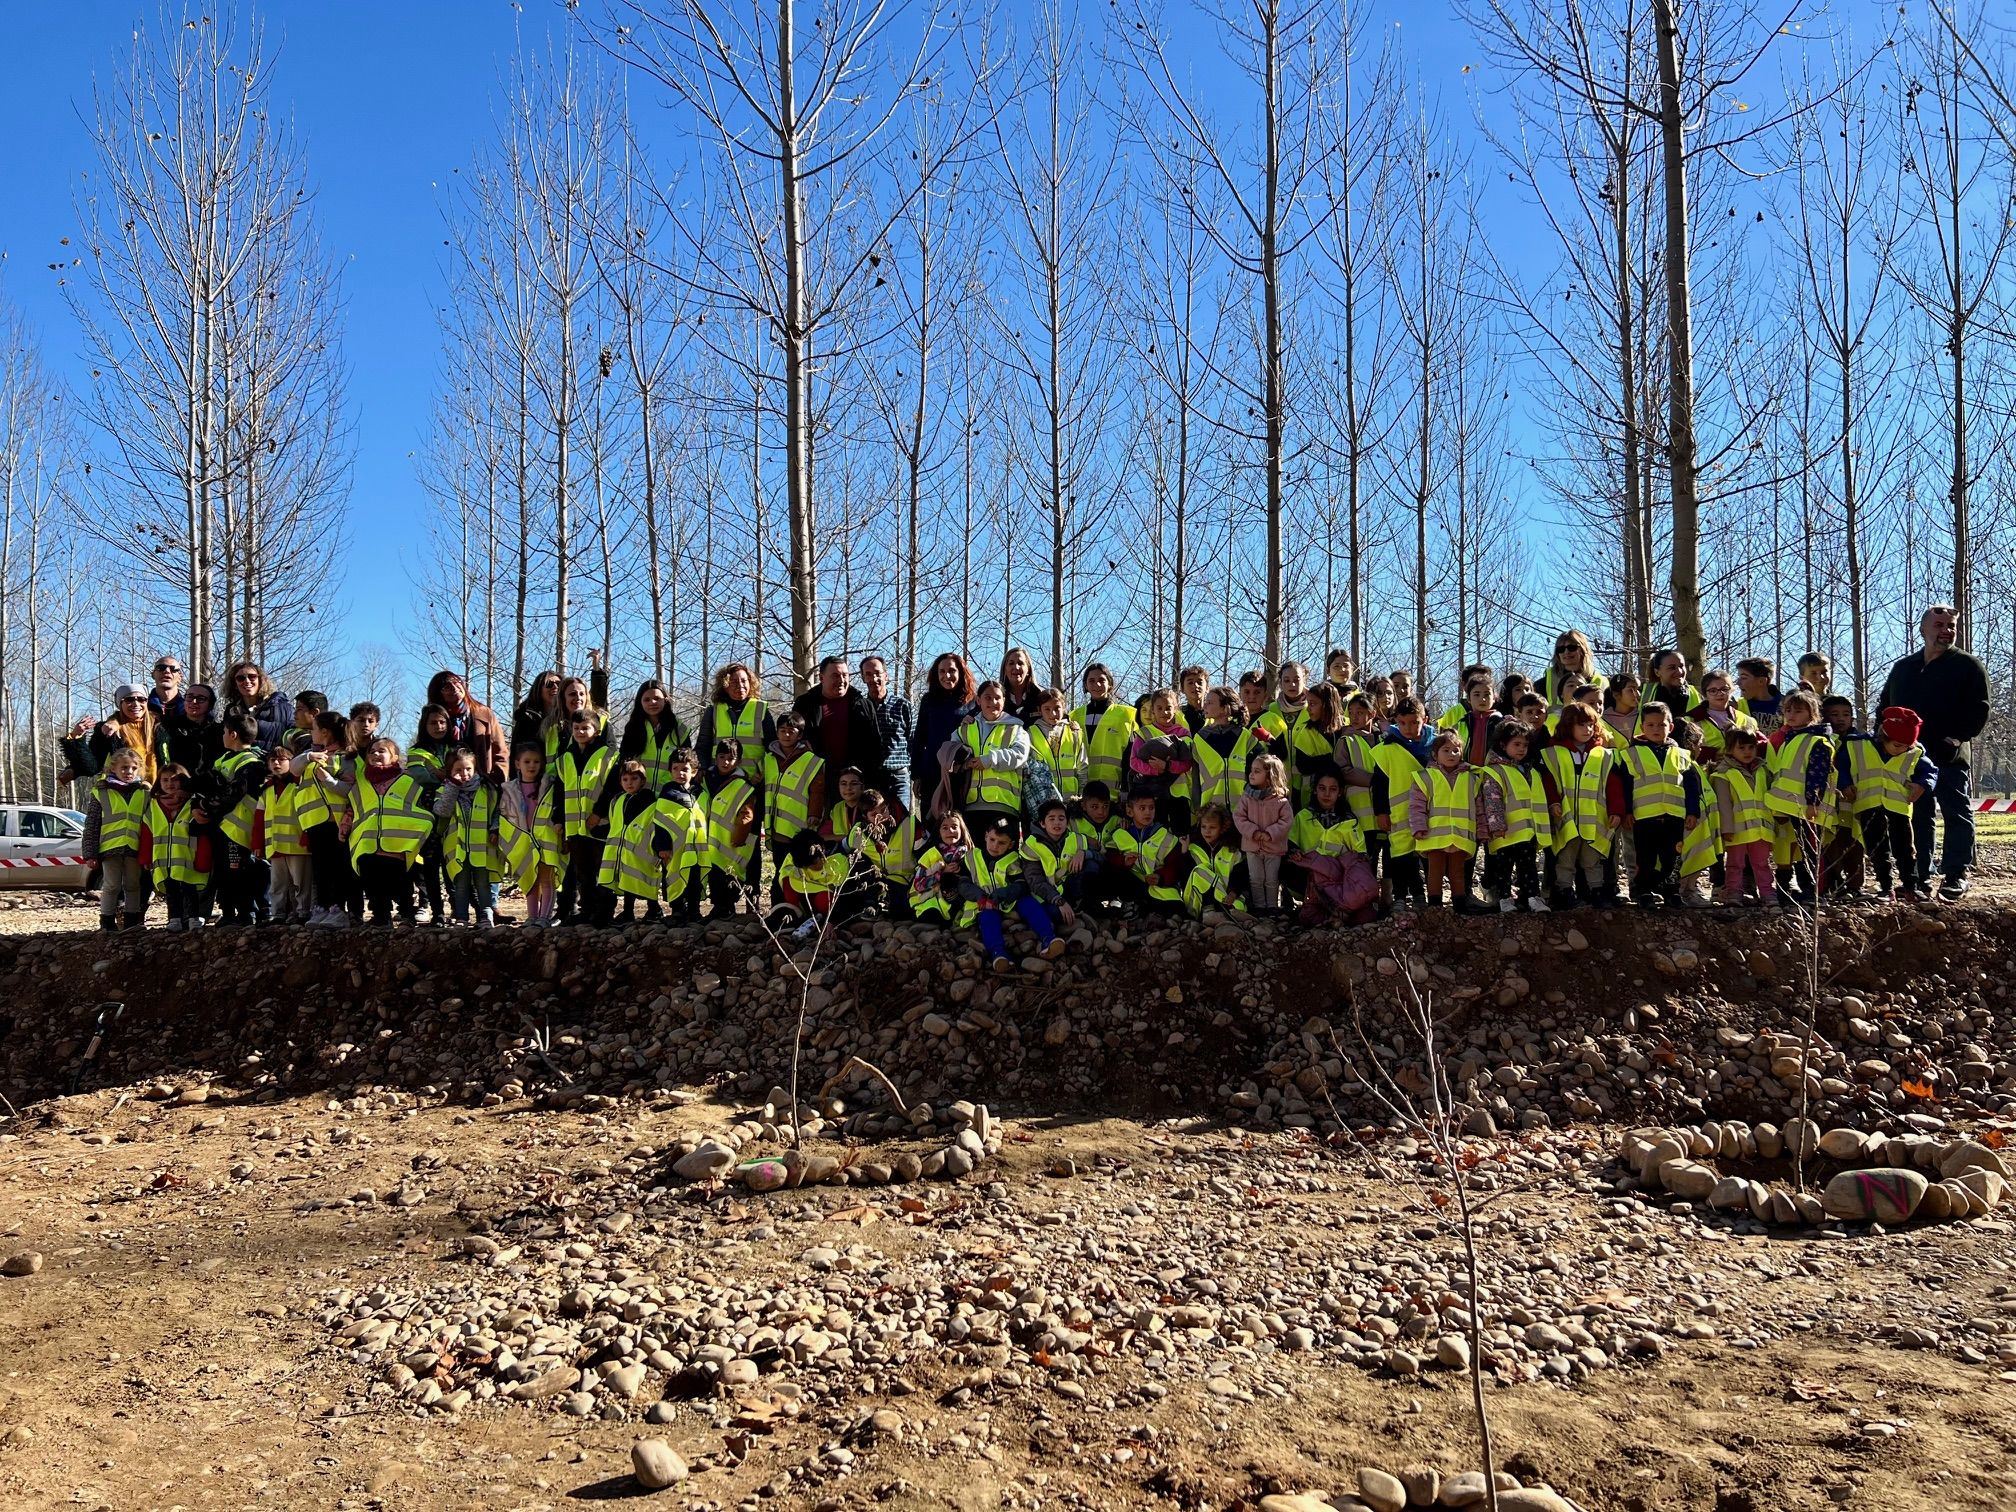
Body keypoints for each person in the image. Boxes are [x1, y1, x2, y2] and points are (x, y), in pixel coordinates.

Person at [1879, 603, 1990, 900]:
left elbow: (1979, 710)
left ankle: (1956, 874)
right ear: (1923, 629)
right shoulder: (1904, 668)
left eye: (1951, 626)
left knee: (1957, 813)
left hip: (1949, 758)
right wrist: (1885, 744)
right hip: (1908, 759)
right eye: (1940, 625)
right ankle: (1921, 877)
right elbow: (1884, 708)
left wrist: (1954, 739)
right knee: (1918, 817)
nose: (1947, 631)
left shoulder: (1967, 666)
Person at [330, 737, 433, 927]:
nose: (376, 754)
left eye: (382, 751)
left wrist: (421, 832)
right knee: (373, 884)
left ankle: (407, 916)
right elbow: (353, 807)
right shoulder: (361, 782)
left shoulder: (408, 780)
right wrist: (345, 824)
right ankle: (381, 918)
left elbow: (421, 809)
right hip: (368, 844)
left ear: (394, 757)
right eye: (372, 751)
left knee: (400, 884)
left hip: (397, 845)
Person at [1612, 701, 1702, 907]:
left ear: (1670, 727)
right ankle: (1644, 891)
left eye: (1661, 725)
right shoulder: (1631, 754)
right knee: (1645, 858)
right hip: (1644, 817)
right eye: (1650, 725)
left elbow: (1691, 786)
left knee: (1672, 856)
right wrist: (1626, 812)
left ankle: (1671, 891)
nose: (1656, 729)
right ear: (1642, 727)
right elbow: (1626, 786)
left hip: (1674, 816)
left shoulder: (1682, 755)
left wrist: (1693, 811)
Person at [1851, 708, 1938, 901]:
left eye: (1907, 746)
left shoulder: (1914, 752)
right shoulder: (1858, 746)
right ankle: (1885, 888)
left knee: (1905, 849)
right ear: (1884, 736)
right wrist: (1845, 785)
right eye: (1898, 745)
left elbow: (1930, 771)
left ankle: (1910, 886)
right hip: (1868, 806)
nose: (1903, 750)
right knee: (1878, 849)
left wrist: (1923, 785)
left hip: (1899, 807)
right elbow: (1842, 766)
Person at [959, 813, 1065, 971]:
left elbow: (1021, 884)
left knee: (1028, 902)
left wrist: (1003, 894)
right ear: (986, 835)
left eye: (1002, 843)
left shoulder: (1013, 858)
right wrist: (980, 897)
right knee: (988, 918)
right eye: (992, 840)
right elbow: (963, 883)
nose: (995, 846)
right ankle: (999, 954)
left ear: (1011, 844)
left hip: (1008, 901)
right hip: (983, 903)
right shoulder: (970, 857)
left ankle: (1048, 939)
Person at [1765, 690, 1835, 904]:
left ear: (1812, 713)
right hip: (1789, 807)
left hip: (1808, 808)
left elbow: (1817, 776)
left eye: (1798, 711)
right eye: (1787, 710)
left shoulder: (1818, 742)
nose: (1791, 715)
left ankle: (1814, 891)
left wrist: (1813, 803)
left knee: (1811, 850)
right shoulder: (1790, 738)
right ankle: (1791, 890)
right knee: (1794, 850)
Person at [1408, 732, 1485, 912]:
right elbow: (1416, 806)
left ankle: (1459, 904)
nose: (1452, 754)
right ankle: (1434, 905)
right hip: (1433, 836)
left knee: (1458, 872)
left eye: (1456, 750)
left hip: (1461, 836)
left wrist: (1482, 831)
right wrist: (1418, 826)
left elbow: (1479, 808)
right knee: (1434, 872)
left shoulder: (1472, 778)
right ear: (1435, 754)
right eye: (1446, 750)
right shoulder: (1425, 777)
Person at [1477, 721, 1549, 913]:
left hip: (1527, 832)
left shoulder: (1530, 770)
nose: (1521, 749)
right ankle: (1504, 898)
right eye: (1516, 744)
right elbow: (1492, 801)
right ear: (1503, 745)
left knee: (1528, 867)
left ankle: (1532, 897)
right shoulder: (1495, 771)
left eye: (1525, 745)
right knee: (1504, 869)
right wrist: (1497, 826)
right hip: (1505, 833)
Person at [296, 712, 359, 929]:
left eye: (313, 728)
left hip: (336, 821)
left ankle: (338, 909)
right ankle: (321, 907)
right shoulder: (312, 754)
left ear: (324, 732)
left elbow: (349, 789)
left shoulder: (346, 758)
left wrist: (329, 781)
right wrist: (307, 757)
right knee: (320, 868)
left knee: (338, 868)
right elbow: (293, 768)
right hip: (313, 822)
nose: (310, 732)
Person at [81, 746, 152, 931]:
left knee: (133, 885)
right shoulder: (101, 792)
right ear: (113, 769)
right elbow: (92, 825)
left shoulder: (144, 793)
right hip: (109, 849)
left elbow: (150, 824)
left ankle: (131, 920)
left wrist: (149, 853)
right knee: (111, 885)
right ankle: (107, 921)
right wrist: (90, 853)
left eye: (133, 768)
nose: (129, 772)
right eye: (124, 768)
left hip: (134, 848)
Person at [792, 656, 893, 787]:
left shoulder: (863, 704)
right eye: (835, 676)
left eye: (845, 675)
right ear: (822, 678)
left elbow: (875, 746)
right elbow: (793, 739)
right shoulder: (805, 704)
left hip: (854, 782)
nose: (841, 680)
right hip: (816, 779)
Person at [554, 712, 616, 926]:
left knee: (603, 869)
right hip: (574, 826)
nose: (580, 732)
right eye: (576, 728)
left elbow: (611, 788)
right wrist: (558, 818)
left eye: (585, 728)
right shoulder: (565, 757)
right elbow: (560, 790)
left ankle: (605, 911)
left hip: (600, 824)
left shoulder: (608, 755)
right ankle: (586, 910)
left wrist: (598, 813)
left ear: (596, 731)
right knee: (583, 872)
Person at [1371, 697, 1433, 908]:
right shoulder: (1387, 747)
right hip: (1399, 815)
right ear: (1396, 721)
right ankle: (1400, 896)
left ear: (1425, 719)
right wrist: (1381, 812)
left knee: (1427, 855)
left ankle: (1425, 897)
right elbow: (1379, 784)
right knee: (1401, 857)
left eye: (1414, 722)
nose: (1408, 728)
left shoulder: (1435, 745)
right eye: (1403, 723)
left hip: (1430, 813)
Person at [597, 759, 675, 924]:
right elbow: (616, 825)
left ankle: (654, 910)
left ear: (643, 780)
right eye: (625, 779)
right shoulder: (618, 800)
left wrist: (660, 847)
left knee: (646, 882)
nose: (629, 783)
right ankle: (628, 913)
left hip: (644, 850)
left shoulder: (650, 801)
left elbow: (656, 825)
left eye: (634, 779)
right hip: (622, 851)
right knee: (628, 883)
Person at [434, 746, 504, 927]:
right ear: (450, 771)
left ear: (475, 769)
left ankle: (486, 917)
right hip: (457, 849)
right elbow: (442, 810)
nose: (464, 774)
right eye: (458, 770)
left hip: (483, 847)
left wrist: (495, 829)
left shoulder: (487, 789)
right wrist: (453, 787)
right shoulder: (445, 790)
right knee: (461, 885)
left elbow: (497, 811)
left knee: (483, 884)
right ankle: (462, 918)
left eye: (468, 769)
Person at [499, 742, 565, 927]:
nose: (532, 765)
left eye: (536, 761)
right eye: (527, 761)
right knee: (530, 879)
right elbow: (504, 815)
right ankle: (532, 917)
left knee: (546, 879)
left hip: (546, 840)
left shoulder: (549, 786)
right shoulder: (508, 789)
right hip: (523, 841)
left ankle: (544, 918)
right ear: (517, 764)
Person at [954, 680, 1031, 837]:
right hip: (971, 806)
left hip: (1005, 806)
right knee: (975, 857)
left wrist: (989, 760)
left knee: (1006, 857)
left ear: (1004, 700)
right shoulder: (965, 728)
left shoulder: (1015, 728)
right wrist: (965, 763)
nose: (993, 702)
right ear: (978, 700)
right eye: (987, 697)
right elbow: (949, 753)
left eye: (997, 698)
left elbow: (1020, 754)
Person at [1711, 728, 1776, 907]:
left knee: (1761, 863)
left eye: (1751, 747)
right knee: (1735, 863)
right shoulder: (1722, 774)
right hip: (1737, 831)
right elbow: (1723, 805)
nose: (1747, 752)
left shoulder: (1763, 771)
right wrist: (1726, 829)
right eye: (1741, 748)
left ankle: (1767, 893)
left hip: (1760, 829)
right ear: (1730, 750)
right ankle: (1733, 893)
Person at [142, 763, 210, 932]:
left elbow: (202, 834)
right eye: (165, 780)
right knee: (171, 892)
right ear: (159, 782)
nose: (169, 784)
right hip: (164, 861)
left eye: (174, 780)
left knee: (190, 890)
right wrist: (145, 857)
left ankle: (194, 918)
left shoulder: (192, 804)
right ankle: (174, 919)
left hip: (188, 859)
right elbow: (146, 832)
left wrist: (204, 858)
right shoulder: (154, 805)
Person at [912, 653, 977, 816]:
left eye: (952, 670)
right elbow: (919, 738)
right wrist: (916, 775)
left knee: (958, 824)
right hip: (932, 772)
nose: (947, 676)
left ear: (961, 673)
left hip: (960, 773)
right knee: (932, 822)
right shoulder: (928, 700)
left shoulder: (973, 702)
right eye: (942, 671)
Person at [702, 738, 760, 917]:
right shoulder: (706, 779)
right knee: (715, 874)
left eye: (731, 758)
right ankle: (720, 906)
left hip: (734, 841)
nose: (726, 762)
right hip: (712, 839)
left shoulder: (744, 785)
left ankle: (730, 906)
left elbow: (747, 815)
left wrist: (739, 838)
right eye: (722, 757)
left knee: (732, 875)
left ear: (739, 761)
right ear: (715, 758)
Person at [61, 683, 159, 786]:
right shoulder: (108, 730)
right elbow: (92, 766)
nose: (136, 704)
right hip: (128, 794)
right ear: (120, 704)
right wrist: (76, 736)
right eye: (129, 700)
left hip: (162, 793)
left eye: (141, 699)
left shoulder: (158, 727)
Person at [1127, 687, 1194, 833]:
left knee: (1181, 833)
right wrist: (1154, 770)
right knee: (1157, 833)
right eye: (1159, 708)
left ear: (1175, 708)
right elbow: (1134, 762)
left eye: (1169, 708)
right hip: (1154, 794)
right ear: (1153, 710)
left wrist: (1167, 766)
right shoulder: (1144, 733)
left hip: (1179, 793)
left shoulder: (1183, 733)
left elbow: (1188, 763)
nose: (1164, 712)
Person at [1106, 789, 1182, 914]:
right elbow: (1110, 858)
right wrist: (1124, 862)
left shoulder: (1165, 835)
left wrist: (1160, 876)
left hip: (1159, 887)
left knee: (1176, 910)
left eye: (1151, 808)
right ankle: (1129, 904)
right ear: (1130, 811)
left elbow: (1175, 865)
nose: (1148, 812)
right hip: (1134, 885)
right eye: (1142, 808)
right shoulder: (1119, 834)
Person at [1235, 752, 1293, 915]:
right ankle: (1260, 907)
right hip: (1252, 846)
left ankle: (1273, 906)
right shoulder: (1246, 797)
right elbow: (1239, 816)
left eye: (1257, 771)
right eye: (1251, 770)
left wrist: (1270, 833)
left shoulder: (1280, 800)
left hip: (1273, 848)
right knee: (1256, 878)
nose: (1251, 774)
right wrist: (1253, 832)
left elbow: (1286, 821)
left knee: (1271, 879)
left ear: (1270, 776)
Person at [428, 670, 511, 781]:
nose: (455, 688)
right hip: (447, 785)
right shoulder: (434, 719)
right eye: (447, 687)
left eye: (457, 682)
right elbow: (425, 749)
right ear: (438, 694)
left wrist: (497, 779)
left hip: (483, 783)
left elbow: (500, 752)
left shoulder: (484, 713)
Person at [1073, 663, 1138, 801]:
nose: (1097, 684)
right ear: (1085, 685)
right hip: (1082, 795)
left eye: (1102, 680)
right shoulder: (1074, 716)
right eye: (1091, 680)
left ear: (1110, 684)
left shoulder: (1127, 714)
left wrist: (1126, 790)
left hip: (1115, 795)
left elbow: (1131, 755)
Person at [699, 661, 774, 778]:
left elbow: (772, 747)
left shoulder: (761, 709)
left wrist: (762, 772)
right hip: (718, 779)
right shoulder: (713, 711)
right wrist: (702, 769)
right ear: (725, 685)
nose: (740, 685)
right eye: (734, 682)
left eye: (744, 681)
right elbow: (703, 746)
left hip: (753, 780)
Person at [858, 655, 914, 809]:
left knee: (902, 821)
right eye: (868, 674)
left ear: (886, 675)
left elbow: (913, 741)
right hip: (870, 777)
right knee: (873, 824)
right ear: (863, 678)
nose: (874, 678)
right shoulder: (859, 708)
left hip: (899, 777)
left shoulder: (903, 706)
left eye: (877, 673)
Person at [616, 678, 690, 789]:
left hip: (669, 795)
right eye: (647, 699)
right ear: (640, 702)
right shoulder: (633, 728)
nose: (652, 702)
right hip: (639, 795)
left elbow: (687, 763)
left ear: (665, 700)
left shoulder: (679, 730)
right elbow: (625, 762)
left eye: (657, 698)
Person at [1026, 687, 1087, 805]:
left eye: (1057, 708)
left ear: (1064, 707)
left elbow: (1082, 766)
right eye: (1047, 709)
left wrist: (1082, 796)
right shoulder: (1030, 733)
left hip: (1072, 800)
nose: (1053, 713)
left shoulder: (1073, 731)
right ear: (1039, 710)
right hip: (1045, 801)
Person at [1184, 801, 1245, 918]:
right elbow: (1185, 876)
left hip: (1228, 898)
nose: (1207, 831)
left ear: (1222, 828)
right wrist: (1184, 851)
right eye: (1203, 827)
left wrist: (1233, 893)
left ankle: (1224, 913)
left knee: (1239, 906)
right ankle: (1203, 914)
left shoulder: (1232, 851)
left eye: (1212, 827)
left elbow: (1240, 875)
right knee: (1199, 871)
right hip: (1202, 903)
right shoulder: (1193, 848)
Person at [909, 812, 971, 925]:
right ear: (939, 832)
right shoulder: (931, 854)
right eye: (945, 828)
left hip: (959, 899)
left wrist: (961, 870)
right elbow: (918, 885)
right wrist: (942, 873)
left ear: (962, 830)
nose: (950, 831)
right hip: (932, 901)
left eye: (954, 827)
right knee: (932, 917)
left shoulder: (970, 854)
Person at [222, 661, 296, 750]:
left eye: (252, 677)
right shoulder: (231, 711)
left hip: (272, 762)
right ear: (234, 684)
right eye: (240, 678)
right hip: (241, 762)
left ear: (261, 680)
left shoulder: (283, 708)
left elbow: (296, 738)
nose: (247, 681)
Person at [1539, 631, 1605, 707]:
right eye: (1561, 649)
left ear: (1583, 650)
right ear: (1557, 654)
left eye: (1572, 648)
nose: (1566, 652)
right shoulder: (1543, 683)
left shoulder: (1601, 682)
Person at [1645, 648, 1702, 725]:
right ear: (1657, 672)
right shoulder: (1643, 695)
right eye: (1672, 668)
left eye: (1681, 666)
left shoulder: (1697, 694)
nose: (1679, 671)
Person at [1734, 657, 1786, 736]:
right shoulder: (1736, 706)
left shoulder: (1787, 705)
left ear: (1761, 681)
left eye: (1743, 678)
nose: (1738, 682)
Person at [998, 647, 1044, 724]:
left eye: (1020, 663)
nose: (1016, 667)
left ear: (1028, 669)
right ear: (1005, 669)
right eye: (1011, 663)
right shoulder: (995, 697)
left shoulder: (1042, 697)